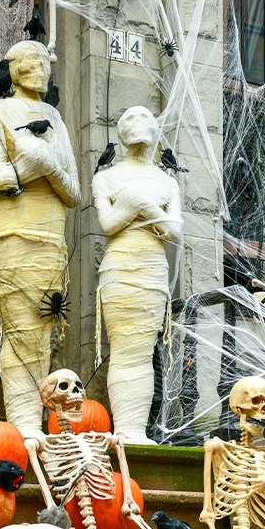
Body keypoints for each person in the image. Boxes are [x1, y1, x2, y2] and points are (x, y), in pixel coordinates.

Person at [0, 40, 80, 434]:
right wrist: (31, 165)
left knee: (41, 335)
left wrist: (49, 164)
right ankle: (22, 423)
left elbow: (73, 192)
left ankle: (34, 423)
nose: (41, 68)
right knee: (19, 327)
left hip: (50, 237)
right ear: (15, 69)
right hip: (15, 233)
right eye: (32, 61)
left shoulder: (55, 117)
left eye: (45, 61)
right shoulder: (0, 111)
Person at [91, 106, 180, 443]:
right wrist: (137, 206)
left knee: (143, 353)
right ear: (119, 131)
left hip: (152, 270)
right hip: (120, 270)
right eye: (129, 117)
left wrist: (139, 204)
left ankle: (135, 430)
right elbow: (109, 224)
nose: (138, 122)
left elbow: (175, 230)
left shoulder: (166, 181)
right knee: (124, 349)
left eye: (145, 117)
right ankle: (125, 429)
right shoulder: (106, 177)